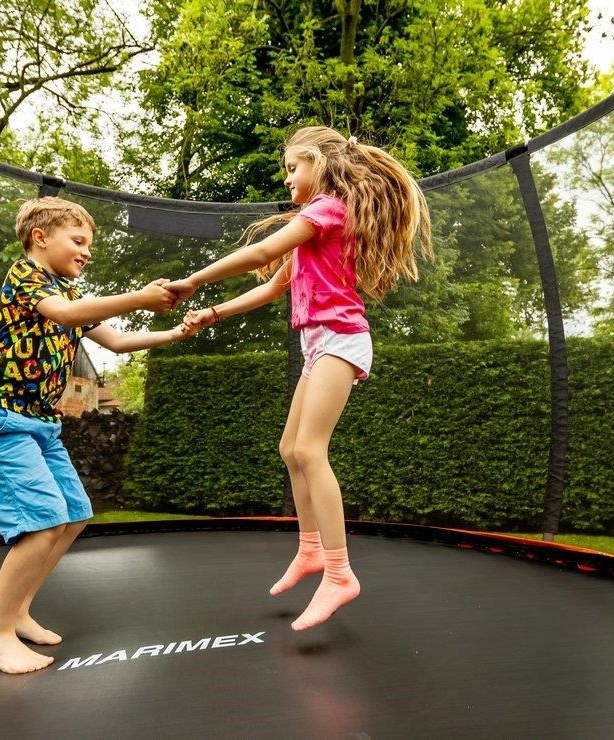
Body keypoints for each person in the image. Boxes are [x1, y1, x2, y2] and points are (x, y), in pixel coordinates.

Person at [169, 126, 432, 631]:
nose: (287, 178)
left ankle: (339, 572)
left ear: (318, 163)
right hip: (318, 344)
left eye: (293, 168)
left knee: (311, 450)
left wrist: (193, 281)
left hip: (341, 337)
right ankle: (311, 549)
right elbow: (272, 287)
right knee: (290, 448)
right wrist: (214, 312)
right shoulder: (315, 227)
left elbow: (258, 253)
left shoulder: (327, 209)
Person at [0, 196, 195, 674]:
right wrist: (140, 297)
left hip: (42, 425)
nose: (87, 252)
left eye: (90, 244)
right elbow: (67, 316)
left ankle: (18, 611)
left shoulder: (67, 294)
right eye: (79, 241)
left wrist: (175, 334)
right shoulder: (26, 276)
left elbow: (118, 341)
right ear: (40, 238)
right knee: (43, 522)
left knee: (72, 515)